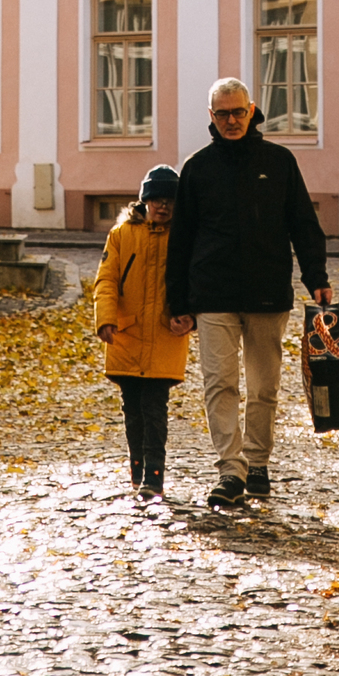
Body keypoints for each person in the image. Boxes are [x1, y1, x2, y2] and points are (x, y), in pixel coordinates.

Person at [165, 77, 331, 509]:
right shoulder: (197, 168)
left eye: (239, 112)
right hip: (212, 293)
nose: (232, 120)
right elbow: (180, 240)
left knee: (263, 387)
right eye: (223, 114)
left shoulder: (278, 161)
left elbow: (302, 224)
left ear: (252, 110)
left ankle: (257, 463)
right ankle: (231, 469)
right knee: (219, 383)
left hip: (266, 291)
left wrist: (317, 276)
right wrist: (177, 302)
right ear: (211, 117)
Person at [92, 164, 189, 500]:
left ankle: (154, 476)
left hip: (165, 336)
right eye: (157, 199)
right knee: (132, 409)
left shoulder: (184, 236)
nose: (164, 206)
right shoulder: (122, 235)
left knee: (154, 408)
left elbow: (194, 282)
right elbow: (106, 279)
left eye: (171, 201)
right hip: (126, 334)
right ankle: (137, 471)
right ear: (145, 200)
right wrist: (105, 317)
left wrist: (188, 315)